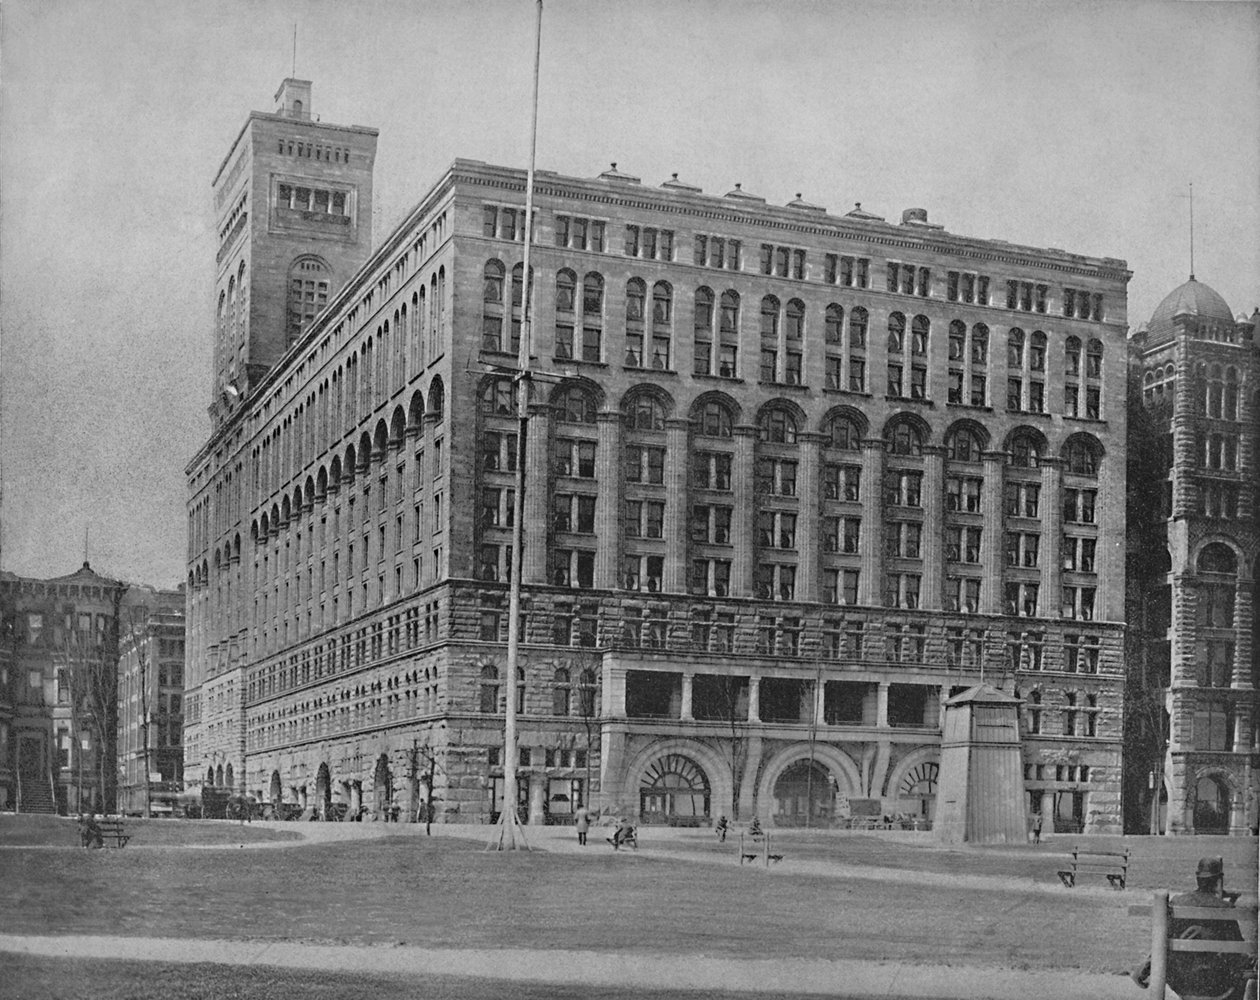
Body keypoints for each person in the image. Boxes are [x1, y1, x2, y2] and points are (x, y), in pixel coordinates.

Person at [1132, 856, 1252, 999]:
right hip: (1217, 984)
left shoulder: (1178, 902)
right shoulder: (1225, 907)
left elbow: (1164, 941)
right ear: (1218, 880)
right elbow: (1237, 949)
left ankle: (1145, 969)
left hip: (1182, 980)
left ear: (1197, 878)